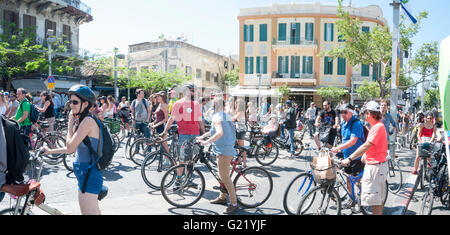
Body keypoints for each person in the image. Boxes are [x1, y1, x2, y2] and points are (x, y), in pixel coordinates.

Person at [42, 84, 103, 215]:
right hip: (85, 173)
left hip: (89, 175)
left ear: (85, 104)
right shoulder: (83, 121)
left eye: (75, 102)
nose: (71, 105)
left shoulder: (87, 121)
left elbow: (70, 148)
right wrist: (50, 151)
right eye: (70, 101)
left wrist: (70, 122)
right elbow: (74, 149)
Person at [342, 101, 388, 215]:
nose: (364, 115)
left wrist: (350, 158)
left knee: (375, 202)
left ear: (370, 113)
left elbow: (367, 144)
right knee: (376, 201)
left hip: (375, 168)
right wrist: (366, 154)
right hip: (375, 166)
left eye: (365, 112)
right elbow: (374, 145)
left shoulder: (377, 127)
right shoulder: (376, 126)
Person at [197, 95, 238, 214]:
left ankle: (234, 203)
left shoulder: (216, 116)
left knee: (225, 177)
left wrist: (206, 142)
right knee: (222, 175)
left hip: (224, 151)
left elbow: (219, 133)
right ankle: (222, 197)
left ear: (214, 106)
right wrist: (203, 136)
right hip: (227, 148)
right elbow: (214, 130)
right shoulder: (225, 115)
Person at [162, 83, 205, 185]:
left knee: (191, 160)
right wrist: (164, 131)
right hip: (184, 135)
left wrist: (204, 132)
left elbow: (200, 120)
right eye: (192, 90)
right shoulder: (178, 104)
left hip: (195, 134)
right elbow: (171, 119)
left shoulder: (196, 104)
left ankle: (188, 180)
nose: (194, 93)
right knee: (182, 160)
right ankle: (178, 181)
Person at [331, 103, 365, 209]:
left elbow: (353, 141)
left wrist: (338, 148)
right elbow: (344, 140)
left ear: (352, 112)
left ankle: (362, 200)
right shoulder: (344, 124)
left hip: (357, 157)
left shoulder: (356, 123)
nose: (342, 114)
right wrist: (337, 150)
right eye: (341, 112)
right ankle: (351, 200)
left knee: (357, 181)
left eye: (345, 112)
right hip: (347, 157)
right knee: (348, 180)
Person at [233, 98, 247, 168]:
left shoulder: (241, 112)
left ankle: (244, 163)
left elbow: (233, 118)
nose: (235, 104)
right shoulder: (238, 111)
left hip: (241, 131)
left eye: (236, 103)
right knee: (239, 147)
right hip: (238, 130)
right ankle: (239, 160)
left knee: (242, 148)